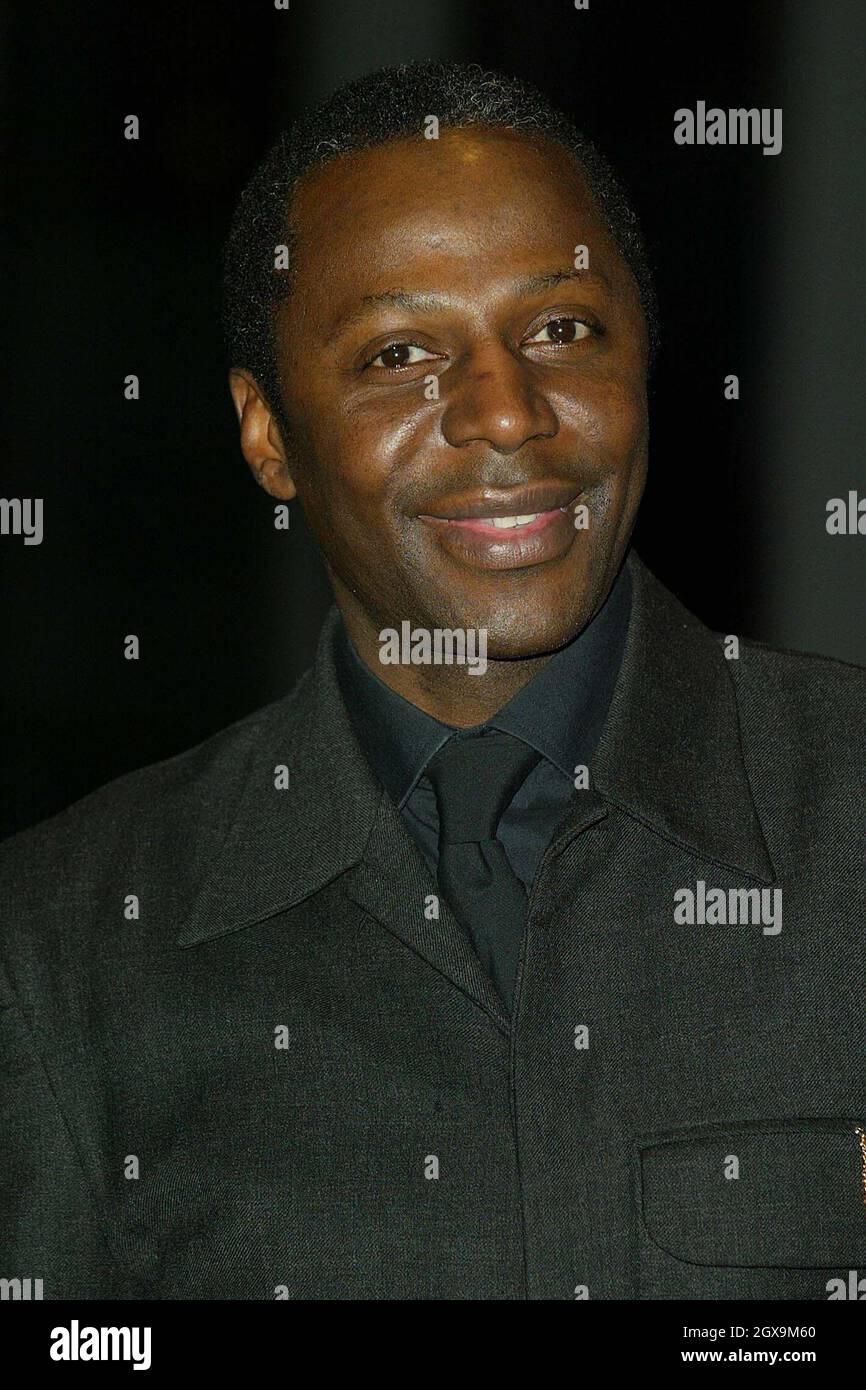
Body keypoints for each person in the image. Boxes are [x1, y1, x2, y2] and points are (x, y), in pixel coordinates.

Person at [2, 62, 864, 1301]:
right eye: (399, 352)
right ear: (266, 436)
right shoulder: (62, 955)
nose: (505, 413)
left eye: (561, 328)